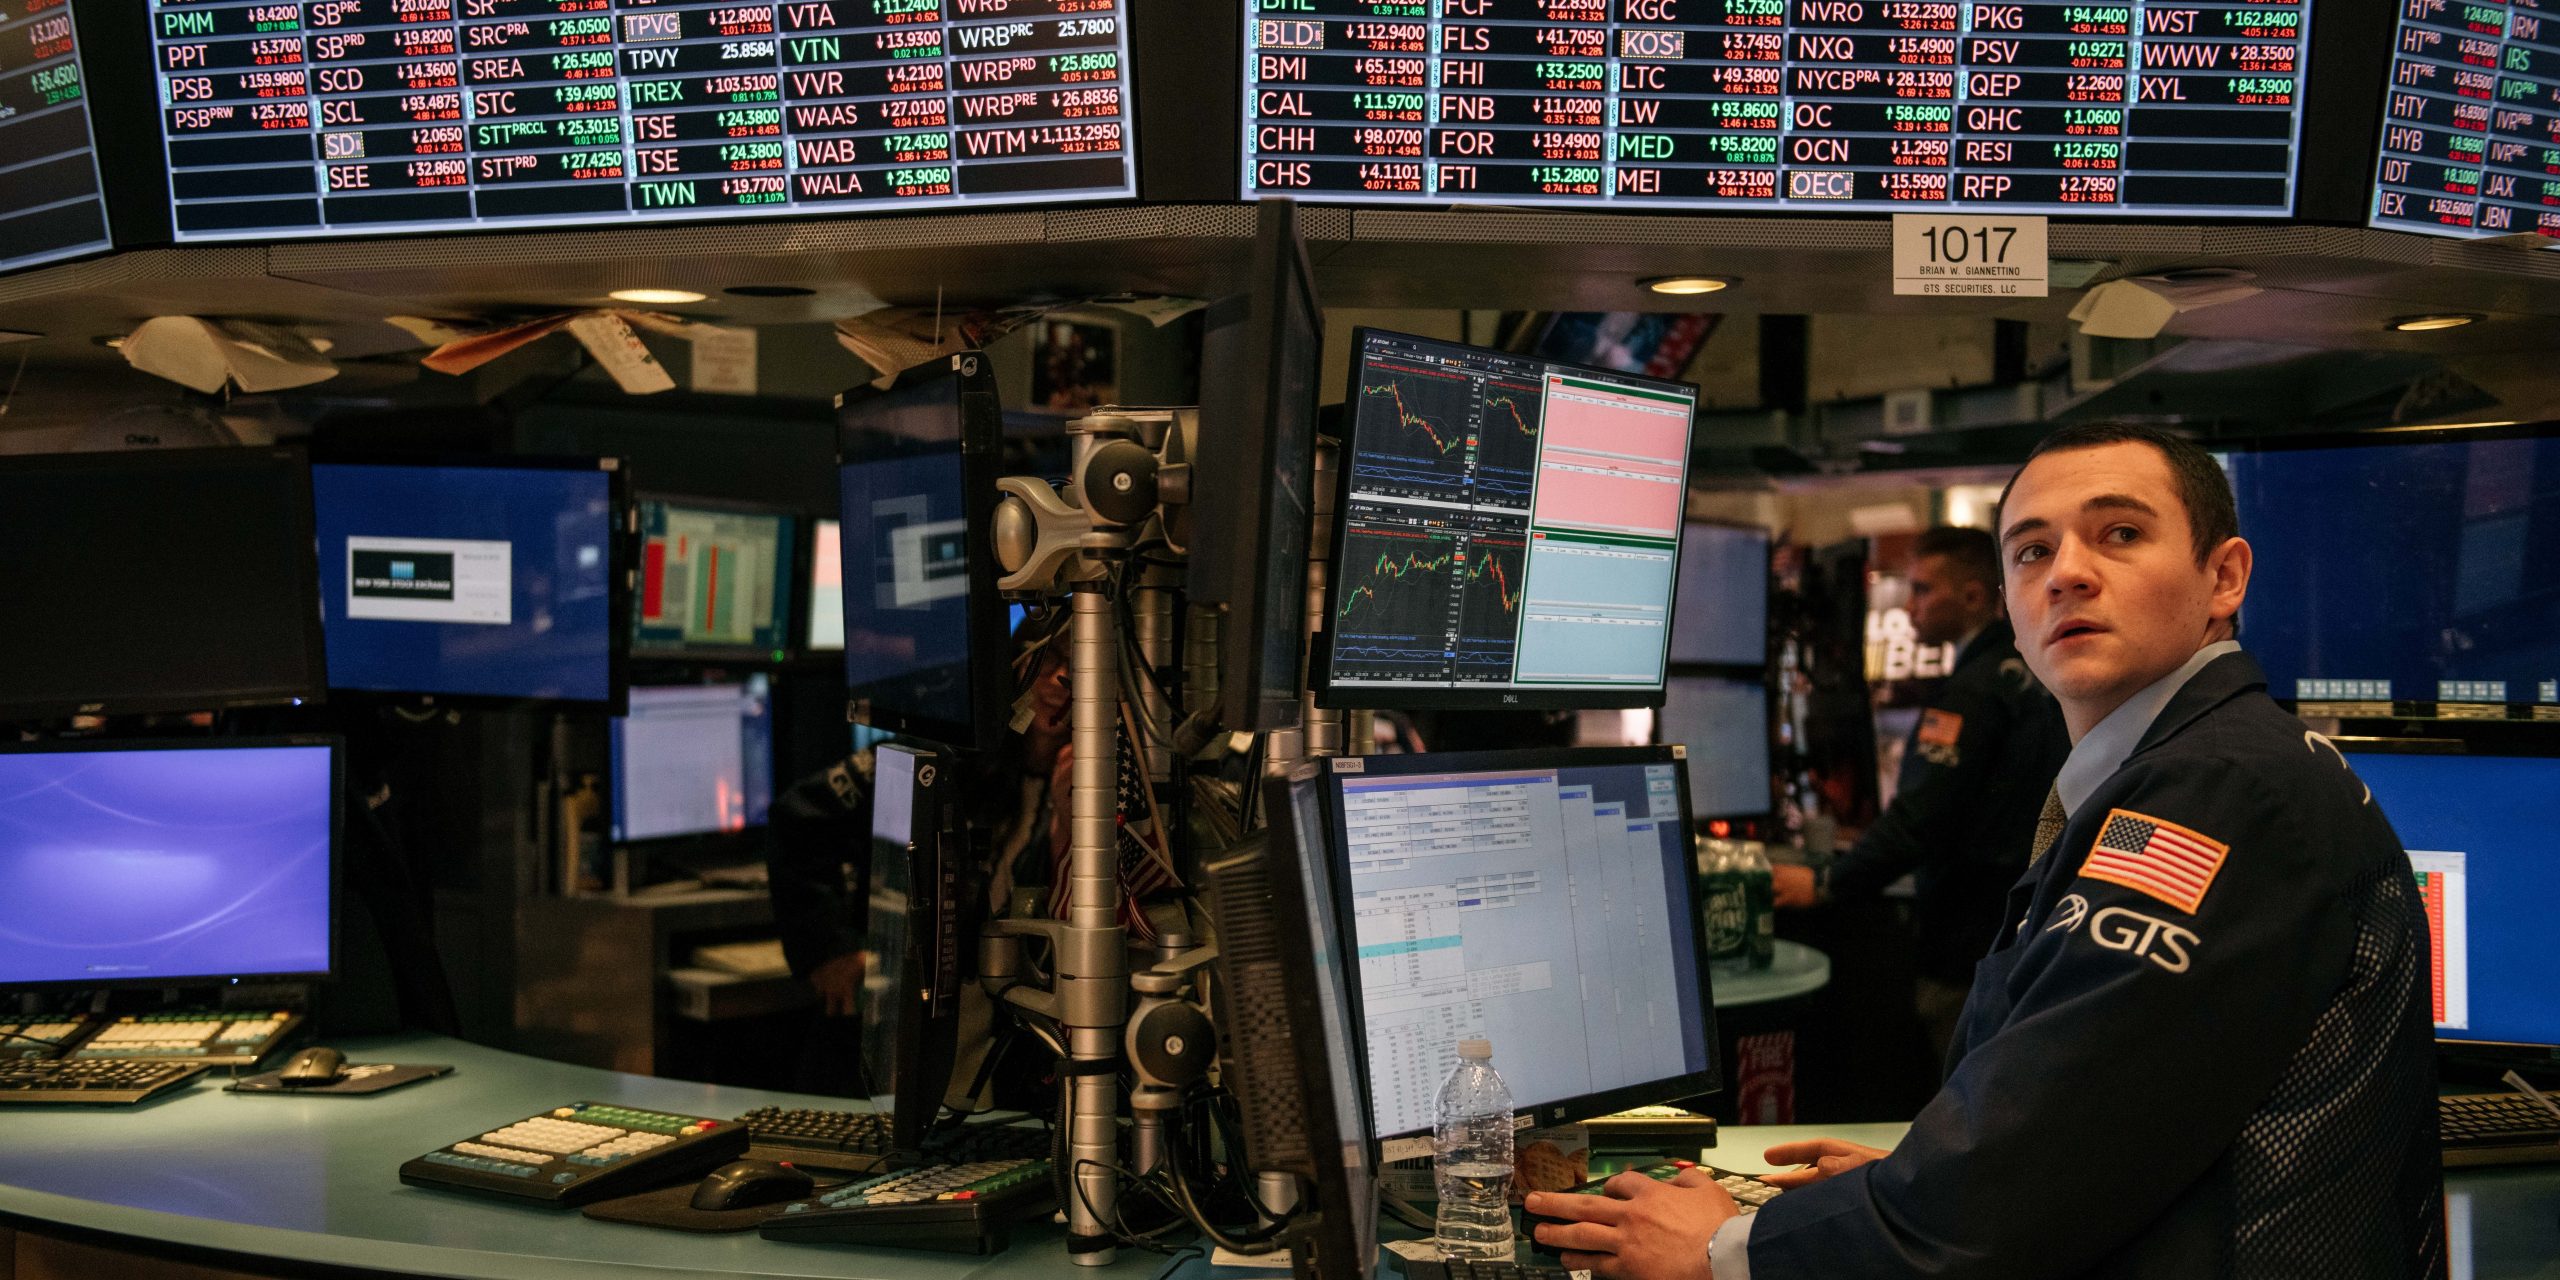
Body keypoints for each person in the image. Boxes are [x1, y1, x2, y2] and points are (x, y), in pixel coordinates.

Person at [1530, 422, 2443, 1279]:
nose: (2068, 575)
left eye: (2120, 535)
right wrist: (1918, 1182)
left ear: (2225, 578)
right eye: (2033, 550)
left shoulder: (2216, 794)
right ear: (2006, 600)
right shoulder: (2203, 766)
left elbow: (2031, 1175)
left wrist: (1731, 1247)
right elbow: (2096, 1127)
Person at [1773, 526, 2068, 1063]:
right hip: (2028, 931)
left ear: (1975, 596)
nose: (1910, 606)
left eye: (1923, 590)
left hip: (1966, 944)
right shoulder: (2037, 676)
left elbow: (1920, 818)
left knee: (1963, 1098)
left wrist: (1826, 882)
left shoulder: (1972, 693)